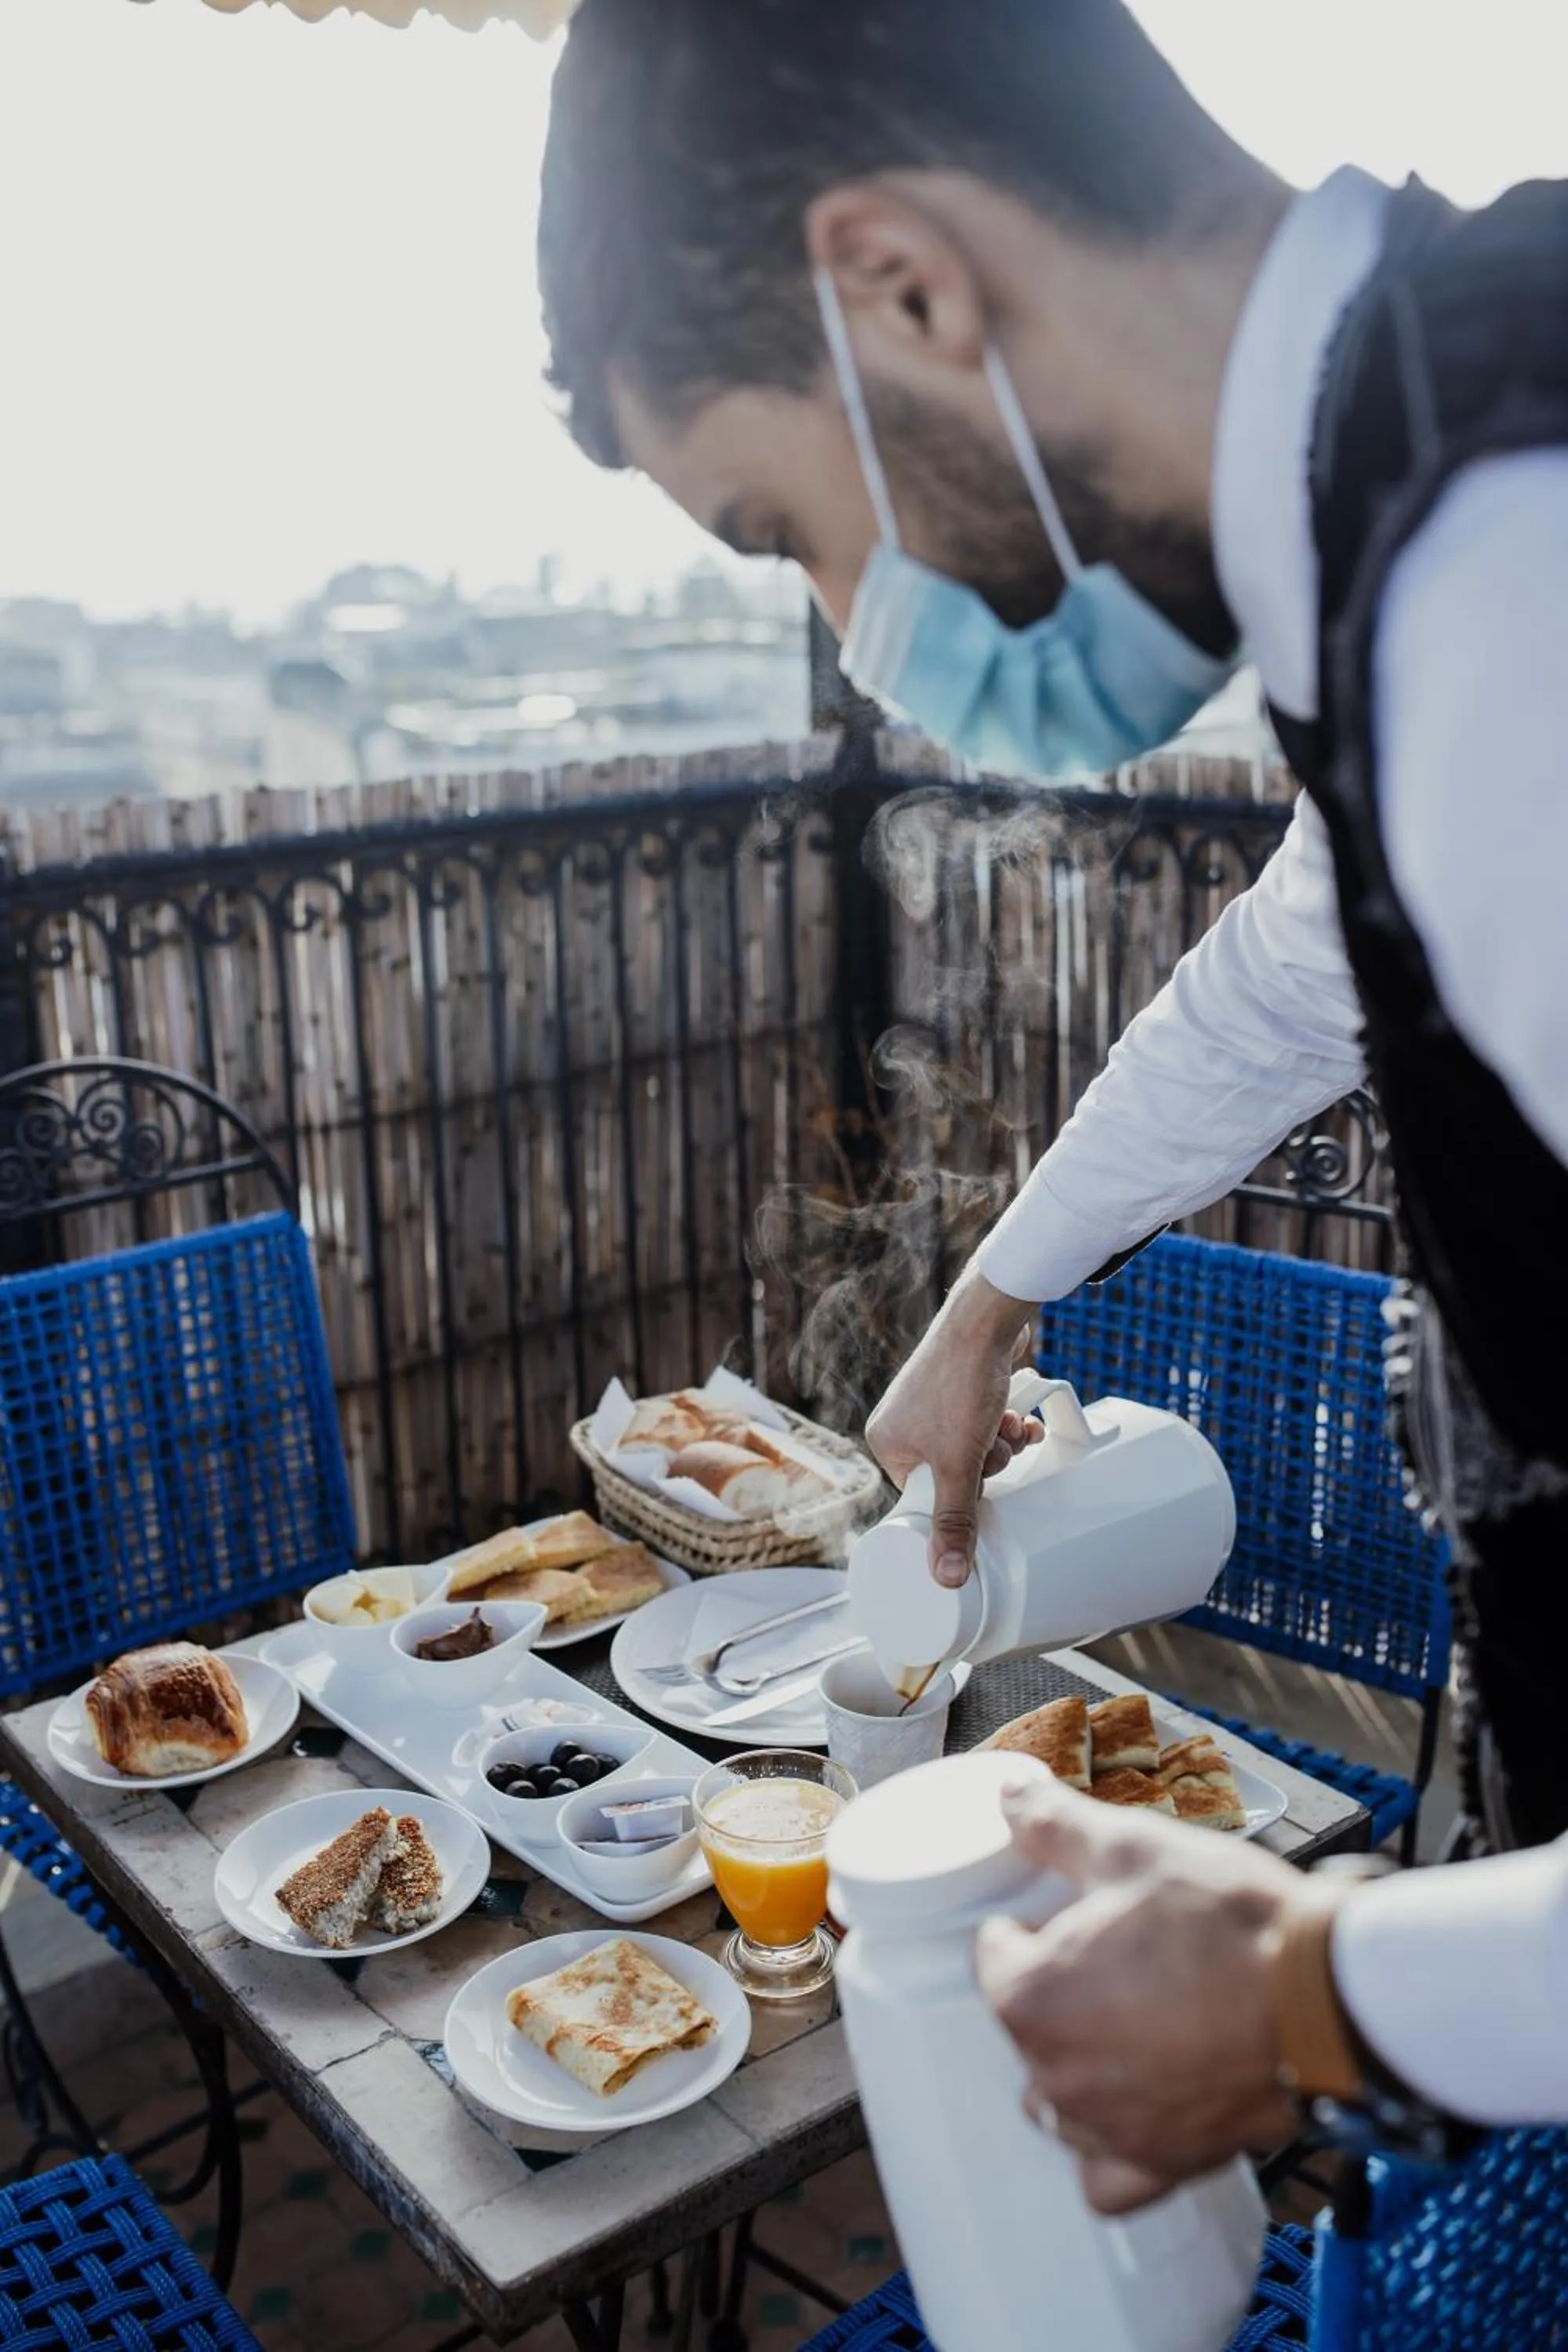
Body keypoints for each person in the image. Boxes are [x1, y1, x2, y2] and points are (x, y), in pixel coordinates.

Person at [538, 0, 1568, 2210]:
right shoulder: (1436, 505)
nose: (848, 626)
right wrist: (983, 1310)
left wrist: (1315, 1995)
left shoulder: (1516, 590)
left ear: (904, 283)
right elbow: (1285, 980)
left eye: (778, 524)